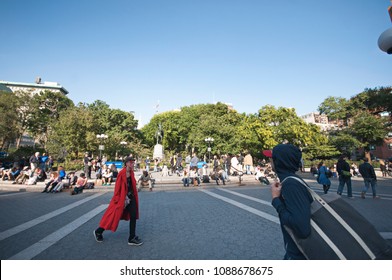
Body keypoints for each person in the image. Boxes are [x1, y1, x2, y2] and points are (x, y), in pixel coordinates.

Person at [269, 144, 313, 260]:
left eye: (272, 157)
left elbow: (302, 229)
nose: (269, 160)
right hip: (295, 251)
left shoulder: (291, 185)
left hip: (299, 254)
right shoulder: (289, 181)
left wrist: (276, 200)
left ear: (279, 161)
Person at [93, 157, 143, 246]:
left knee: (133, 215)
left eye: (133, 163)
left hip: (131, 198)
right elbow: (117, 188)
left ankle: (131, 238)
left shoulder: (131, 172)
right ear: (127, 163)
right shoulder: (122, 173)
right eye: (131, 163)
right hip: (121, 199)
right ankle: (98, 231)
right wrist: (117, 200)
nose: (133, 164)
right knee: (112, 216)